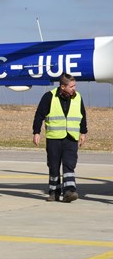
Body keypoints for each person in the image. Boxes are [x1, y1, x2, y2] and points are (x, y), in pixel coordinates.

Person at [33, 73, 87, 203]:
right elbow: (39, 115)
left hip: (71, 137)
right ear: (63, 87)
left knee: (69, 165)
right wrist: (36, 132)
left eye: (75, 85)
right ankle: (54, 192)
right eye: (71, 86)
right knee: (53, 166)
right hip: (54, 138)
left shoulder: (78, 97)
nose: (74, 88)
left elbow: (82, 115)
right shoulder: (49, 97)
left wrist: (83, 132)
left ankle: (69, 191)